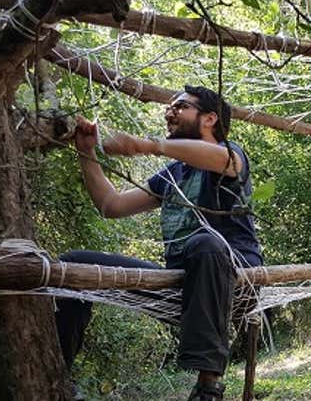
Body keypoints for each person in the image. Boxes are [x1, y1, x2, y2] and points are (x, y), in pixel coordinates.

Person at [55, 85, 261, 401]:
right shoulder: (173, 175)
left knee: (204, 243)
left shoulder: (231, 155)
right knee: (72, 263)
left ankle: (209, 385)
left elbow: (224, 160)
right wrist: (87, 151)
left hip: (236, 281)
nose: (169, 112)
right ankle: (56, 378)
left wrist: (146, 145)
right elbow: (111, 205)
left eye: (180, 106)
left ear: (209, 119)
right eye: (169, 107)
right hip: (179, 285)